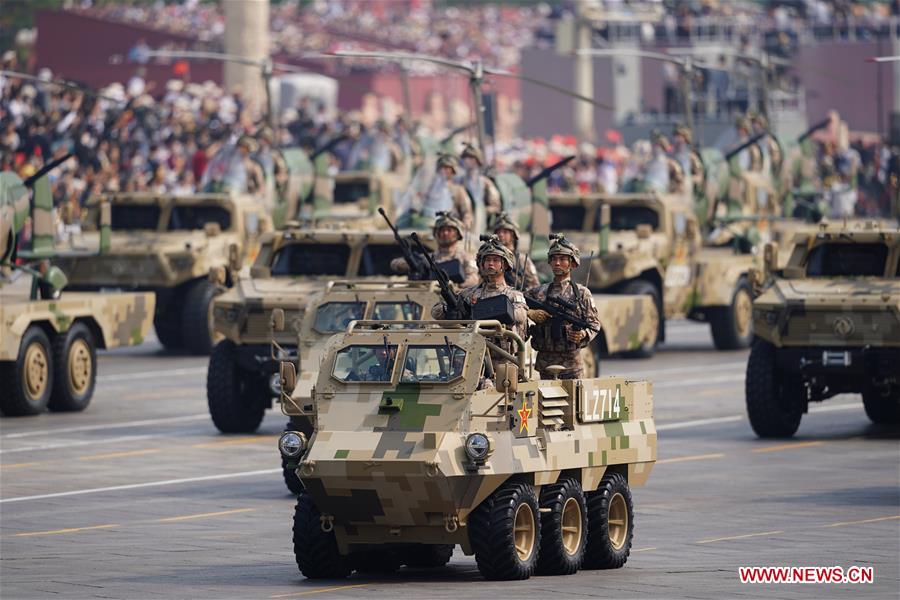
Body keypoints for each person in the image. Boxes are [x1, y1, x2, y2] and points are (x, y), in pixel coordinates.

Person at [526, 236, 601, 380]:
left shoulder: (582, 294)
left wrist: (583, 334)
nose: (557, 263)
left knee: (574, 402)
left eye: (562, 259)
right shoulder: (539, 292)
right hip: (545, 363)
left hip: (572, 365)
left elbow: (594, 325)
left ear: (572, 263)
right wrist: (530, 312)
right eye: (554, 259)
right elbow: (517, 302)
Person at [431, 236, 528, 340]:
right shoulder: (469, 293)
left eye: (495, 260)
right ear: (482, 264)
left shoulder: (513, 295)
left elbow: (520, 316)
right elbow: (435, 312)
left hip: (502, 354)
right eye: (487, 260)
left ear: (504, 265)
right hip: (473, 351)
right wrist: (450, 309)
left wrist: (477, 312)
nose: (491, 263)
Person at [390, 212, 479, 288]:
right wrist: (411, 263)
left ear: (458, 234)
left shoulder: (465, 257)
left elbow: (474, 279)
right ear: (436, 233)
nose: (445, 233)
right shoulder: (427, 258)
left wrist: (457, 287)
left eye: (449, 230)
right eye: (441, 230)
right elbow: (395, 264)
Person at [421, 154, 473, 231]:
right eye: (442, 168)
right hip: (430, 226)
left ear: (453, 171)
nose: (444, 171)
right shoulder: (431, 189)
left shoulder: (458, 190)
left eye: (447, 168)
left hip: (450, 228)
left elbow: (467, 212)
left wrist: (464, 225)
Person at [493, 213, 539, 289]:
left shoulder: (522, 260)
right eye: (498, 232)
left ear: (513, 235)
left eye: (505, 232)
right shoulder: (490, 259)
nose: (500, 235)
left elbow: (534, 285)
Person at [459, 144, 502, 219]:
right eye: (465, 158)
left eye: (470, 158)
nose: (467, 161)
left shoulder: (485, 183)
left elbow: (495, 206)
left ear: (477, 160)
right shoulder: (460, 181)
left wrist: (481, 211)